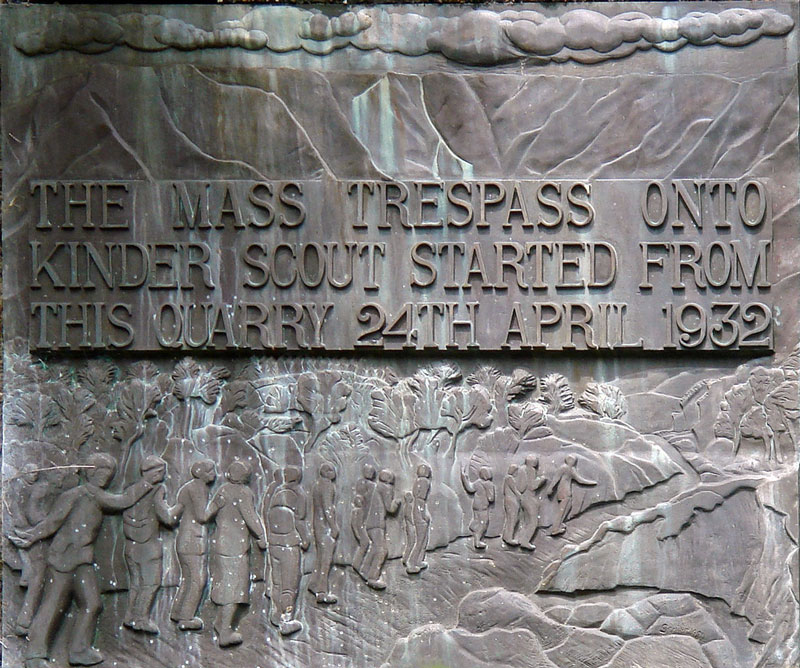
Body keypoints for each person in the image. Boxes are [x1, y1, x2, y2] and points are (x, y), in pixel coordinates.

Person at [9, 453, 155, 667]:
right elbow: (52, 523)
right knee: (53, 605)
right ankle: (34, 655)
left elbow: (122, 500)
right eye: (102, 471)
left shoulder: (96, 495)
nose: (106, 476)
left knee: (92, 604)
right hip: (63, 559)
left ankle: (78, 650)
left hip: (82, 560)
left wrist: (145, 484)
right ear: (91, 470)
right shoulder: (76, 495)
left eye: (109, 473)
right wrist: (30, 537)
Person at [206, 460, 267, 647]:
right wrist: (261, 535)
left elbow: (207, 514)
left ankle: (220, 622)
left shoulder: (222, 490)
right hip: (235, 547)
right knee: (235, 586)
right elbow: (250, 516)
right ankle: (225, 631)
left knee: (224, 582)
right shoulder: (243, 493)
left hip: (220, 543)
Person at [122, 456, 179, 634]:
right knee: (151, 583)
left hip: (131, 545)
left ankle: (130, 616)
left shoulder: (131, 490)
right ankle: (141, 619)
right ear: (149, 472)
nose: (162, 476)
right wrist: (180, 507)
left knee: (136, 584)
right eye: (160, 472)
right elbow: (168, 519)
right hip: (147, 545)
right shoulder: (156, 491)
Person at [170, 459, 216, 631]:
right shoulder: (197, 488)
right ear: (201, 472)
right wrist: (217, 504)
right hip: (193, 540)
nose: (214, 474)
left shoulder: (188, 487)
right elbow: (202, 516)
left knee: (188, 578)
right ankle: (187, 617)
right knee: (198, 580)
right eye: (211, 470)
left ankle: (177, 612)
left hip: (185, 539)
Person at [265, 466, 310, 636]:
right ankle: (286, 618)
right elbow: (299, 519)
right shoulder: (298, 494)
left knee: (277, 581)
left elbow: (267, 514)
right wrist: (305, 539)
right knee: (290, 584)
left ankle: (276, 613)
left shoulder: (277, 491)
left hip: (274, 543)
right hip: (289, 544)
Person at [362, 469, 400, 589]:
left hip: (370, 523)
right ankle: (373, 578)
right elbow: (390, 508)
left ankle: (363, 570)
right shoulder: (386, 488)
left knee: (375, 548)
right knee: (382, 550)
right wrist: (398, 502)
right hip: (377, 524)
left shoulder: (375, 487)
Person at [308, 462, 339, 605]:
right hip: (325, 526)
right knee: (326, 558)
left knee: (321, 556)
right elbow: (328, 508)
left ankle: (314, 584)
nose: (334, 473)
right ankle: (321, 592)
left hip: (317, 524)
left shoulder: (316, 485)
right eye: (331, 470)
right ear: (325, 472)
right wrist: (333, 526)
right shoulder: (327, 485)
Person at [545, 454, 597, 536]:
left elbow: (580, 480)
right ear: (568, 460)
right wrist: (550, 488)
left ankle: (559, 524)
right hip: (563, 491)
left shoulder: (571, 469)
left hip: (567, 491)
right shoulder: (563, 468)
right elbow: (556, 478)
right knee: (562, 509)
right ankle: (555, 528)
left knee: (567, 507)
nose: (574, 462)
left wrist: (591, 483)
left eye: (574, 461)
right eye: (572, 460)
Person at [352, 464, 376, 578]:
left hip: (367, 518)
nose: (370, 474)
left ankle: (359, 565)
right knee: (366, 543)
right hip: (364, 522)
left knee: (367, 543)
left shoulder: (370, 485)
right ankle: (358, 565)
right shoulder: (366, 485)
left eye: (371, 472)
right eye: (368, 471)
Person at [461, 465, 495, 549]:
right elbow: (491, 498)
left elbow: (470, 488)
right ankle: (477, 541)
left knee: (477, 520)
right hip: (483, 507)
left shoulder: (478, 482)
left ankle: (473, 526)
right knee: (483, 523)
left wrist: (464, 478)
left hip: (476, 506)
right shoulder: (489, 484)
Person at [516, 455, 546, 549]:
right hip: (529, 497)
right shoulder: (530, 470)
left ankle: (520, 539)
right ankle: (525, 541)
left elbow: (520, 487)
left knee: (526, 521)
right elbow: (532, 486)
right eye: (535, 461)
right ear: (532, 462)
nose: (536, 462)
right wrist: (541, 480)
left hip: (523, 498)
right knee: (533, 521)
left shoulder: (521, 469)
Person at [406, 464, 431, 574]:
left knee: (423, 539)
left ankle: (419, 560)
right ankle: (411, 563)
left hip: (419, 511)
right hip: (419, 513)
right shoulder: (424, 482)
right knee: (420, 540)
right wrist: (423, 517)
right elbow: (420, 509)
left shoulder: (419, 483)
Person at [501, 464, 522, 546]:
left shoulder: (507, 478)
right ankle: (509, 538)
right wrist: (520, 496)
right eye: (516, 471)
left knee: (511, 518)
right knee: (513, 518)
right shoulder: (509, 478)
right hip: (511, 501)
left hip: (509, 500)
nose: (517, 473)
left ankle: (506, 536)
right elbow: (515, 490)